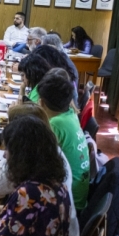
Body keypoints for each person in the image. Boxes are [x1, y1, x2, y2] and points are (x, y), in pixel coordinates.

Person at [0, 102, 80, 236]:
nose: (5, 156)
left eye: (9, 151)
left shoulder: (29, 193)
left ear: (23, 154)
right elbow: (18, 215)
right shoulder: (50, 171)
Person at [37, 69, 90, 210]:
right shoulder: (70, 114)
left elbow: (38, 160)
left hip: (68, 204)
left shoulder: (56, 124)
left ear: (42, 102)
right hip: (78, 198)